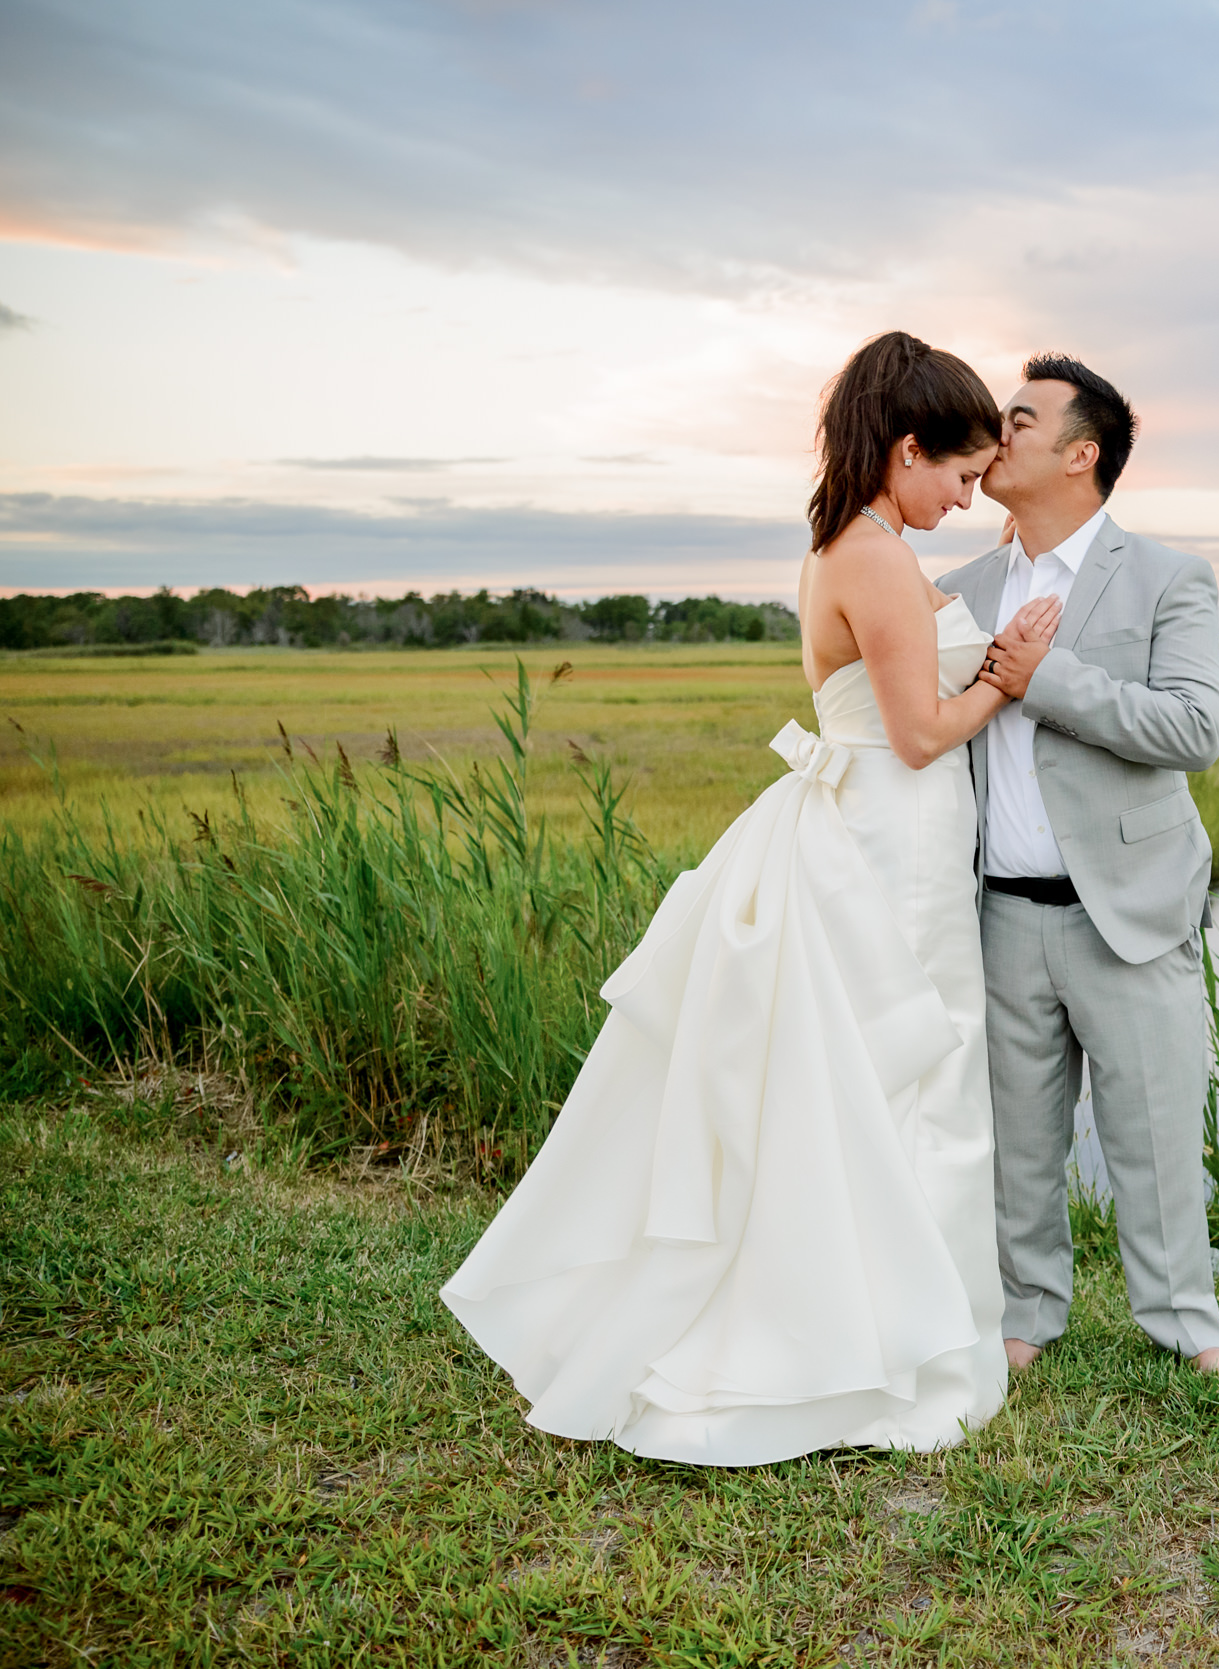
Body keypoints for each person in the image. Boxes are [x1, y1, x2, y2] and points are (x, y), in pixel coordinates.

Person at [439, 331, 1062, 1464]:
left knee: (881, 1076)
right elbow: (919, 736)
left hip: (892, 829)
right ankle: (889, 1350)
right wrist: (1004, 680)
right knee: (906, 1075)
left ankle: (894, 1327)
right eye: (961, 476)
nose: (969, 499)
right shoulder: (870, 554)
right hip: (893, 834)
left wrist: (982, 668)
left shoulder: (854, 538)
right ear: (907, 449)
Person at [941, 353, 1219, 1384]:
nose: (998, 430)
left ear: (1082, 454)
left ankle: (1184, 1325)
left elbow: (1195, 727)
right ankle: (1027, 1314)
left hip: (1128, 908)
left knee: (1154, 1130)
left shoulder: (1168, 576)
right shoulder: (961, 587)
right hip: (998, 910)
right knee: (1017, 1137)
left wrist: (1046, 678)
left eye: (1020, 419)